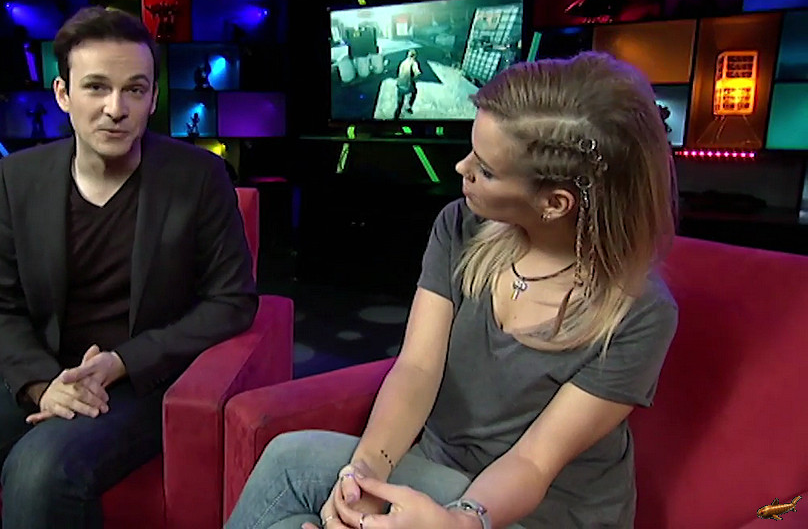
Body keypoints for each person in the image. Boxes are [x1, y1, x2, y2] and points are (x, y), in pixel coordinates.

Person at [226, 51, 678, 529]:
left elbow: (534, 460)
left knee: (291, 464)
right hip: (437, 471)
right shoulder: (461, 225)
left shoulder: (640, 311)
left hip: (536, 512)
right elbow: (417, 369)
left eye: (486, 169)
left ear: (555, 202)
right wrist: (364, 478)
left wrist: (459, 522)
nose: (461, 168)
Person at [0, 6, 258, 529]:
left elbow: (232, 301)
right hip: (43, 366)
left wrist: (122, 361)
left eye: (134, 90)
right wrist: (42, 384)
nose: (115, 108)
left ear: (153, 98)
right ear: (63, 93)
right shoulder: (17, 178)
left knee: (40, 473)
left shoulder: (199, 177)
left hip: (141, 378)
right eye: (96, 87)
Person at [394, 49, 421, 119]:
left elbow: (398, 73)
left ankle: (396, 115)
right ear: (414, 56)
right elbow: (417, 73)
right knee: (414, 92)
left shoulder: (403, 62)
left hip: (400, 84)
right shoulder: (414, 63)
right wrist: (415, 78)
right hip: (407, 85)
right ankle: (408, 106)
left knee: (400, 101)